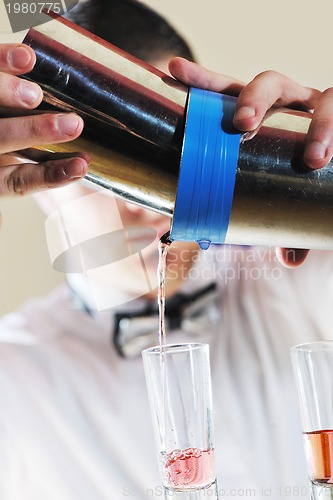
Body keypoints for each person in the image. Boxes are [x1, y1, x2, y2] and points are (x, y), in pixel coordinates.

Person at [0, 1, 333, 498]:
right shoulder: (15, 373)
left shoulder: (306, 268)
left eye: (171, 156)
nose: (150, 205)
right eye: (111, 166)